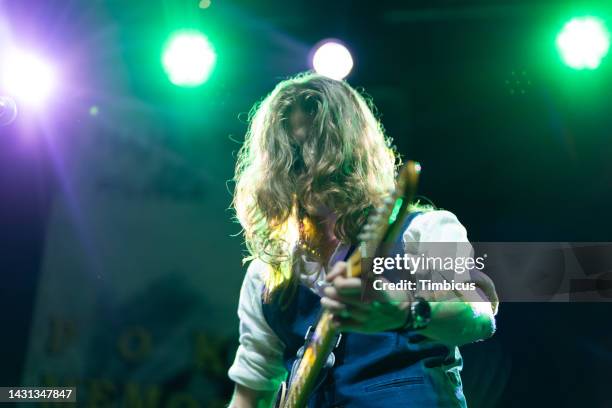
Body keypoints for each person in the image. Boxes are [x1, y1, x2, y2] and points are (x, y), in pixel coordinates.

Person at [228, 73, 498, 407]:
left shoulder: (421, 231)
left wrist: (407, 312)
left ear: (351, 151)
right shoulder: (266, 276)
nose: (308, 168)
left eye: (319, 148)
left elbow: (478, 315)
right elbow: (250, 392)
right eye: (294, 154)